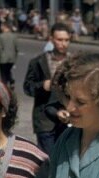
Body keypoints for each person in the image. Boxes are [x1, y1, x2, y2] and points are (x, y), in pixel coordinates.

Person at [23, 22, 71, 155]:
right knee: (48, 160)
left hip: (69, 117)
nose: (63, 44)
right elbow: (27, 87)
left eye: (66, 40)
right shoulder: (38, 62)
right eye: (59, 40)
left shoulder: (74, 62)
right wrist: (43, 86)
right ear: (51, 39)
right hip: (45, 120)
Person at [0, 21, 18, 89]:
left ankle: (4, 86)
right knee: (8, 71)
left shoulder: (0, 36)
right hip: (12, 58)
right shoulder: (14, 36)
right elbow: (16, 48)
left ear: (5, 27)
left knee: (3, 73)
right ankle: (11, 81)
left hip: (3, 58)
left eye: (2, 26)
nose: (0, 27)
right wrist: (15, 57)